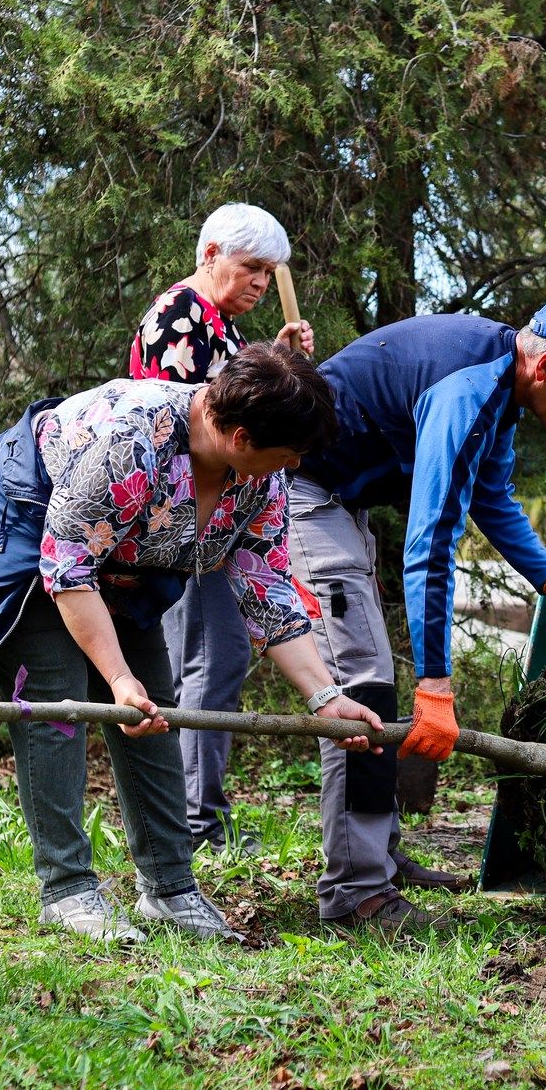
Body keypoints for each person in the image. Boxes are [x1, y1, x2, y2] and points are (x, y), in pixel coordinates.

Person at [0, 345, 383, 945]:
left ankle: (169, 889)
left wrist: (326, 695)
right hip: (19, 526)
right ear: (241, 436)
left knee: (152, 711)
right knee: (58, 700)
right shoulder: (130, 443)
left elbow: (265, 587)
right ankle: (66, 889)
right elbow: (66, 567)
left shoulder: (255, 481)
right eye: (289, 452)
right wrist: (116, 677)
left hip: (116, 558)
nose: (295, 464)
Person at [288, 294, 546, 935]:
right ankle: (355, 891)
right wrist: (436, 684)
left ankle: (379, 861)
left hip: (341, 501)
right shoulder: (468, 390)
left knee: (366, 674)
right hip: (299, 489)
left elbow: (492, 500)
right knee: (359, 684)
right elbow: (431, 542)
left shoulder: (500, 390)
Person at [129, 204, 313, 852]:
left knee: (216, 657)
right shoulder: (180, 319)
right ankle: (197, 823)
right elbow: (203, 422)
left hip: (215, 523)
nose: (262, 283)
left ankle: (195, 814)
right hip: (190, 521)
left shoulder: (219, 324)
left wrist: (277, 361)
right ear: (210, 254)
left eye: (269, 271)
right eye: (251, 268)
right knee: (211, 658)